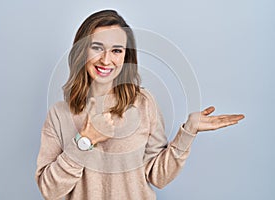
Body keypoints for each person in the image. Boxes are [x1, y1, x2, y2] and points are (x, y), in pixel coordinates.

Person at [35, 9, 244, 200]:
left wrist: (187, 132)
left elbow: (158, 176)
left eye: (116, 50)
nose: (106, 60)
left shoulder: (144, 103)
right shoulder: (59, 114)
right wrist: (85, 140)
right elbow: (49, 190)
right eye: (97, 47)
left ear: (126, 56)